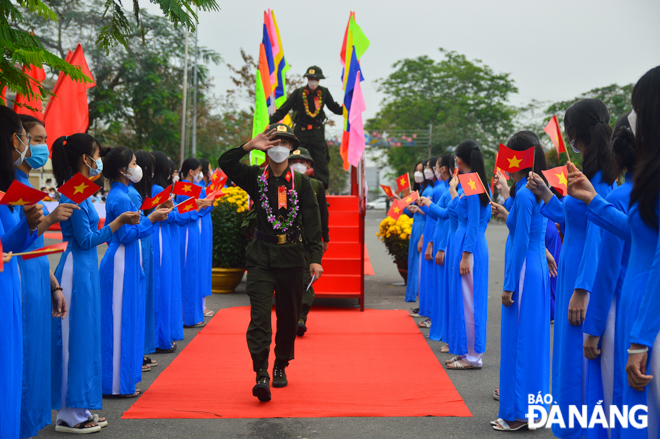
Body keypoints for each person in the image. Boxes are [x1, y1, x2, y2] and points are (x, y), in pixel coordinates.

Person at [567, 66, 660, 438]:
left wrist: (640, 338)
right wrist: (593, 201)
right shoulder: (633, 188)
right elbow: (638, 236)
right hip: (637, 312)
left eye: (638, 107)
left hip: (644, 316)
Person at [527, 98, 617, 439]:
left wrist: (583, 289)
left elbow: (598, 232)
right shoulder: (588, 172)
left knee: (578, 358)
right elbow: (572, 218)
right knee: (567, 353)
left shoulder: (600, 179)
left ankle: (580, 431)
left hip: (582, 272)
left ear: (576, 132)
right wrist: (548, 195)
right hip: (571, 265)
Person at [218, 123, 323, 402]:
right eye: (273, 142)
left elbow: (313, 223)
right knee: (260, 316)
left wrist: (315, 260)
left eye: (284, 143)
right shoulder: (255, 177)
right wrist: (249, 146)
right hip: (261, 258)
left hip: (292, 258)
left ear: (291, 148)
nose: (278, 147)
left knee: (289, 317)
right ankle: (261, 371)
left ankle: (280, 365)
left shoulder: (301, 183)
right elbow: (225, 162)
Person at [50, 133, 140, 433]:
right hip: (75, 269)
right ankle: (70, 413)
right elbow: (86, 240)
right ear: (84, 158)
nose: (99, 157)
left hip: (86, 270)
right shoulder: (72, 191)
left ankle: (79, 406)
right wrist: (117, 223)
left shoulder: (82, 189)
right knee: (75, 339)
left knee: (86, 336)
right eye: (96, 153)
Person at [14, 115, 77, 439]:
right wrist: (49, 217)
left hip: (39, 281)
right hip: (19, 284)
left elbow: (34, 242)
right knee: (22, 361)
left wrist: (53, 283)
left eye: (42, 140)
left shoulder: (27, 185)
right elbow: (15, 241)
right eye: (35, 139)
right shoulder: (12, 185)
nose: (40, 147)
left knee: (36, 360)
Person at [490, 132, 551, 431]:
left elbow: (523, 240)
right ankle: (533, 409)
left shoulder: (525, 194)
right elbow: (533, 231)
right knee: (533, 340)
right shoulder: (531, 190)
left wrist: (509, 285)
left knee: (519, 342)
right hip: (536, 265)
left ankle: (516, 414)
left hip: (525, 271)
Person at [99, 147, 170, 398]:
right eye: (133, 163)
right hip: (120, 261)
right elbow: (126, 235)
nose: (137, 167)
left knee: (128, 319)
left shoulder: (124, 194)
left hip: (128, 260)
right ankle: (115, 384)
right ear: (122, 169)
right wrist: (152, 218)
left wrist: (152, 217)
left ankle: (123, 381)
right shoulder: (120, 198)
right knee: (119, 321)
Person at [0, 106, 44, 439]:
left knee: (13, 369)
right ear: (14, 139)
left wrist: (31, 224)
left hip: (10, 279)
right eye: (30, 139)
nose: (30, 145)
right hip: (7, 281)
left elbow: (9, 241)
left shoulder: (15, 183)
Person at [445, 140, 491, 370]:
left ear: (460, 159)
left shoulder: (473, 182)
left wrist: (466, 254)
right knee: (465, 301)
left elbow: (474, 223)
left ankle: (473, 356)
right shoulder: (471, 183)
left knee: (470, 303)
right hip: (468, 245)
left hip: (470, 248)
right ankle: (466, 351)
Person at [268, 66, 343, 188]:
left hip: (317, 132)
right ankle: (293, 187)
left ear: (319, 80)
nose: (313, 81)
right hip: (301, 132)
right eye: (310, 78)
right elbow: (284, 109)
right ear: (307, 79)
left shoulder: (324, 92)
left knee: (321, 162)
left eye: (315, 79)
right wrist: (271, 122)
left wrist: (348, 108)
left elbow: (335, 108)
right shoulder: (298, 93)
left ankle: (321, 192)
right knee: (296, 159)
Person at [287, 147, 330, 336]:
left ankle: (300, 317)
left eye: (302, 162)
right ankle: (289, 315)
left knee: (306, 280)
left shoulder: (316, 185)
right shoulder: (281, 184)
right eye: (294, 161)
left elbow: (322, 214)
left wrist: (324, 237)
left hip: (307, 240)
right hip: (285, 240)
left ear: (309, 165)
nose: (298, 164)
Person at [176, 158, 213, 328]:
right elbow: (192, 210)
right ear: (191, 171)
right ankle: (190, 315)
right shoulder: (190, 188)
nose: (200, 173)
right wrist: (202, 204)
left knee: (189, 270)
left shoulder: (181, 187)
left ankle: (189, 313)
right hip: (190, 229)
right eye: (198, 170)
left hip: (189, 228)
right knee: (190, 270)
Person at [151, 152, 180, 353]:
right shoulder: (158, 189)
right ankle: (161, 337)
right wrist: (174, 208)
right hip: (159, 237)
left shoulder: (153, 188)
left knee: (162, 286)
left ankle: (161, 336)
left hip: (160, 235)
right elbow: (169, 216)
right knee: (162, 286)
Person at [417, 157, 446, 328]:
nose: (430, 171)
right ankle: (430, 314)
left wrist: (431, 242)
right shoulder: (440, 188)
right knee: (430, 277)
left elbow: (442, 217)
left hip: (437, 234)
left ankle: (434, 317)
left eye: (431, 167)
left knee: (434, 278)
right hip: (433, 231)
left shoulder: (441, 189)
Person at [404, 162, 426, 304]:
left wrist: (423, 237)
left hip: (423, 228)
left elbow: (433, 215)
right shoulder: (418, 190)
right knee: (414, 262)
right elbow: (408, 212)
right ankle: (414, 294)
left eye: (421, 170)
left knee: (420, 265)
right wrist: (404, 199)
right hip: (416, 227)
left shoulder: (429, 191)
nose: (417, 174)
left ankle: (421, 299)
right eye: (416, 170)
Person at [198, 158, 215, 317]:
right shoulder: (196, 188)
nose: (210, 172)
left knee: (204, 262)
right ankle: (200, 305)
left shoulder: (205, 187)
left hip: (205, 224)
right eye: (208, 169)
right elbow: (198, 208)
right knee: (200, 262)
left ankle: (201, 304)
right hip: (200, 225)